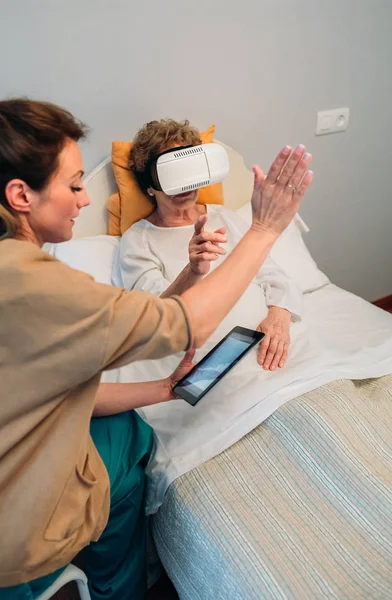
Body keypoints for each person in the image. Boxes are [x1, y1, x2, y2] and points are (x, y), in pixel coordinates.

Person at [0, 99, 312, 600]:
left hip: (243, 361)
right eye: (75, 184)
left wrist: (169, 387)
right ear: (21, 195)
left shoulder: (22, 269)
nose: (84, 200)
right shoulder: (46, 279)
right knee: (139, 443)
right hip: (19, 523)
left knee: (129, 435)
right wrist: (261, 228)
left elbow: (70, 382)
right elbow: (170, 323)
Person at [115, 119, 311, 371]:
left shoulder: (223, 217)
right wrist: (193, 270)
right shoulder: (138, 240)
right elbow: (155, 318)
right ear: (150, 185)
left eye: (189, 169)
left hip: (272, 343)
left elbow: (271, 274)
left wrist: (279, 317)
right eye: (172, 173)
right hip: (211, 364)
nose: (185, 184)